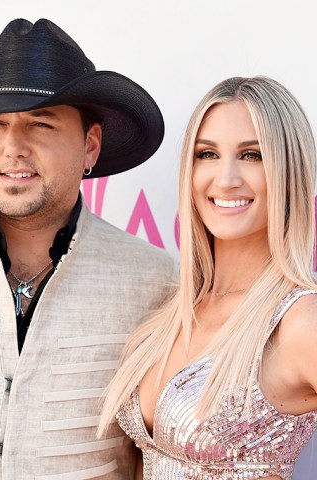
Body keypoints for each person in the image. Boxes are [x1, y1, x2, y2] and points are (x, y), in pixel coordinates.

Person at [0, 18, 177, 480]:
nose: (13, 146)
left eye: (40, 123)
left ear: (89, 147)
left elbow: (153, 455)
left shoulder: (154, 281)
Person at [99, 76, 317, 480]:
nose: (226, 178)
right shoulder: (173, 311)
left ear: (289, 169)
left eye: (252, 155)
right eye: (207, 154)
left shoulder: (301, 321)